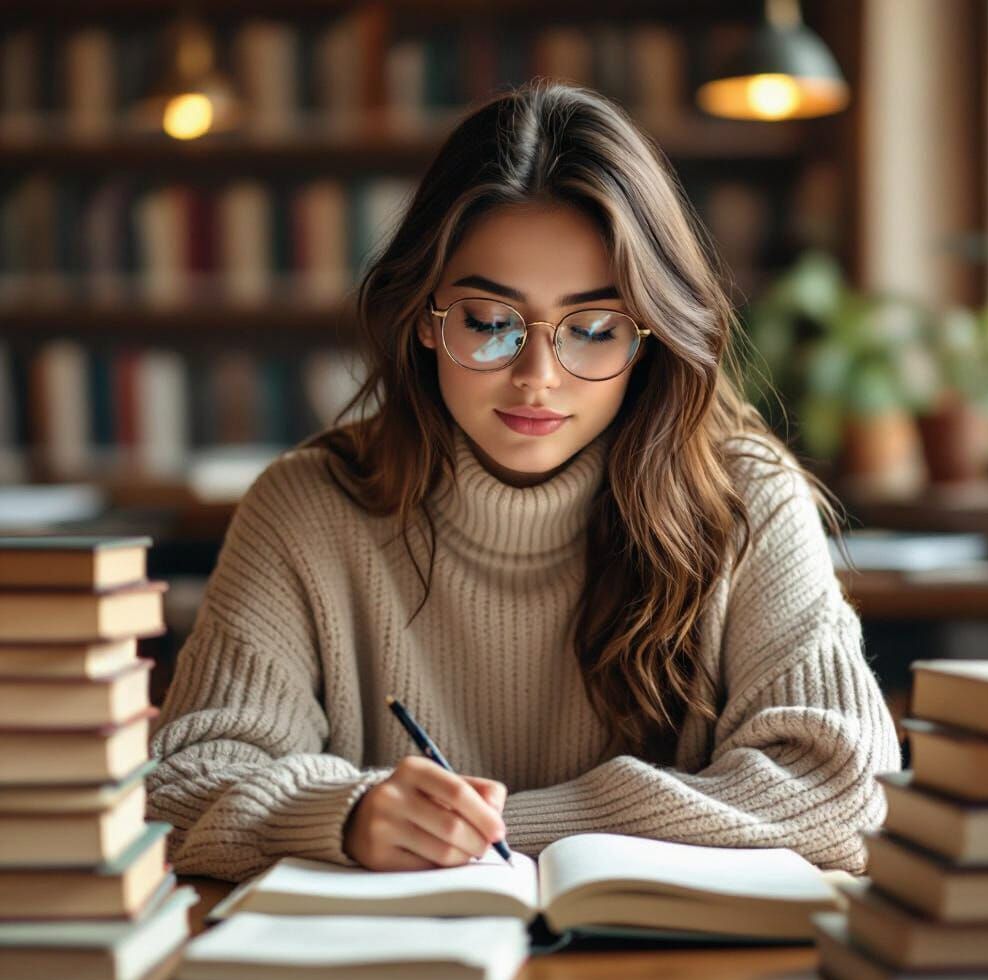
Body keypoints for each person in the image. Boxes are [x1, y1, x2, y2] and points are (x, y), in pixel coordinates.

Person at [147, 79, 901, 882]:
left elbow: (844, 793)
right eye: (491, 322)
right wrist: (348, 815)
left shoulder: (746, 501)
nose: (539, 377)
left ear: (651, 336)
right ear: (425, 318)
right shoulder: (306, 508)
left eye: (596, 328)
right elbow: (181, 783)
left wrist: (504, 826)